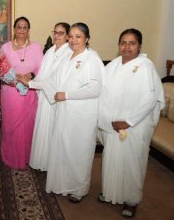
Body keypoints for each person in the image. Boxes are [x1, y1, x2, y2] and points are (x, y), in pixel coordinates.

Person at [97, 29, 164, 218]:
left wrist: (128, 122)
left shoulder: (146, 67)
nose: (127, 47)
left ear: (140, 46)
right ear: (119, 45)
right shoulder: (113, 66)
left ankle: (131, 200)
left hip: (134, 126)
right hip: (112, 125)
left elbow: (151, 99)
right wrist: (107, 119)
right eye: (123, 42)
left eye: (132, 43)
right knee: (111, 159)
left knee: (133, 163)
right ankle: (110, 192)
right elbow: (102, 92)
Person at [45, 22, 105, 203]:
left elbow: (95, 89)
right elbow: (51, 80)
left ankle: (79, 189)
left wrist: (67, 95)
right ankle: (63, 184)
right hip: (65, 112)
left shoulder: (91, 58)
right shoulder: (67, 57)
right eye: (70, 36)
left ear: (87, 38)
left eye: (78, 36)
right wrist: (31, 82)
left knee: (79, 151)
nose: (73, 40)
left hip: (82, 115)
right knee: (64, 148)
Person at [18, 22, 71, 171]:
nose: (56, 35)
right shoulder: (50, 51)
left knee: (53, 133)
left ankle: (53, 166)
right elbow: (42, 75)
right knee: (43, 131)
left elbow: (55, 80)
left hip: (55, 100)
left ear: (67, 36)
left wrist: (30, 84)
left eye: (61, 33)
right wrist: (30, 80)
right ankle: (43, 163)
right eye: (55, 32)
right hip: (44, 97)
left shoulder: (68, 54)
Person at [0, 16, 43, 169]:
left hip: (30, 91)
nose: (22, 30)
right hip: (11, 92)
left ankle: (28, 156)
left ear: (28, 30)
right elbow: (1, 69)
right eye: (19, 27)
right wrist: (15, 77)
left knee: (28, 125)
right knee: (13, 125)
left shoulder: (37, 47)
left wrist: (29, 76)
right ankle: (12, 157)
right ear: (14, 29)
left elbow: (40, 68)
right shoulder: (6, 47)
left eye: (25, 27)